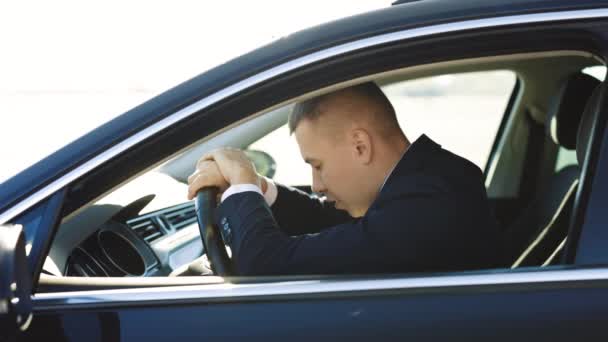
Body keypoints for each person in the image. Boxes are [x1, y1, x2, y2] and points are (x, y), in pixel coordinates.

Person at [187, 82, 502, 275]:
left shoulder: (429, 203)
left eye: (318, 165)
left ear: (360, 147)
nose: (316, 185)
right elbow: (335, 225)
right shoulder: (423, 182)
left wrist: (241, 182)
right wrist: (257, 187)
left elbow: (266, 265)